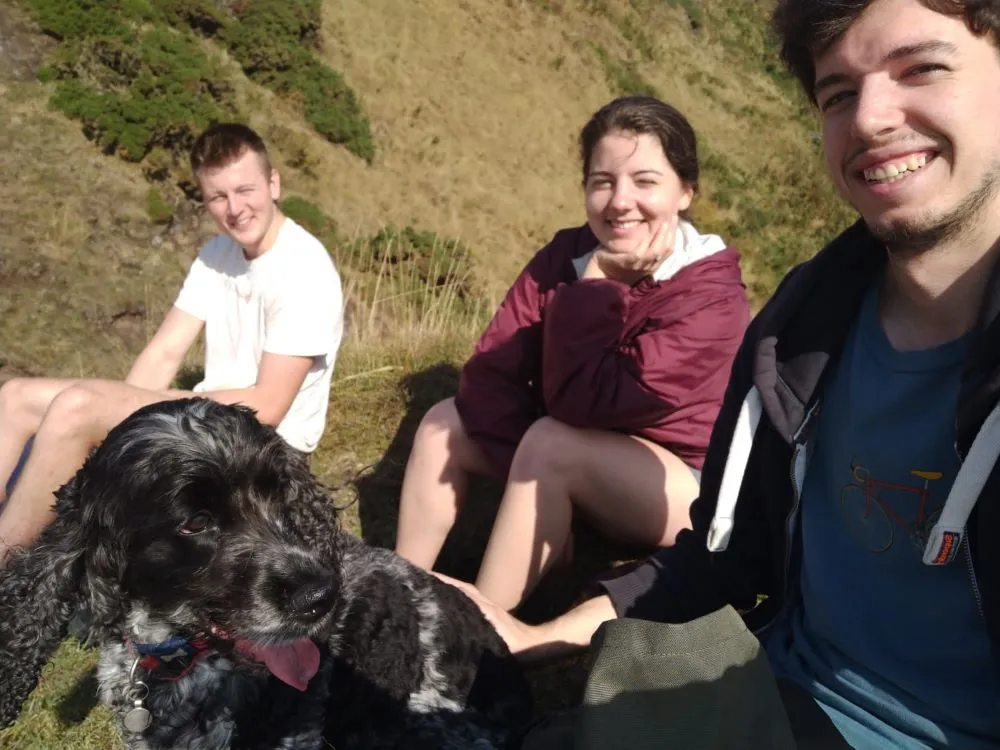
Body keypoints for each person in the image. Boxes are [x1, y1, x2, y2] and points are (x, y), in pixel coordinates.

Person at [441, 0, 1000, 747]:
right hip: (773, 693)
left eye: (922, 69)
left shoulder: (720, 296)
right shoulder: (800, 334)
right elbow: (719, 560)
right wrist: (533, 638)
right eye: (837, 93)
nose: (870, 118)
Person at [396, 95, 750, 611]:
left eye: (645, 182)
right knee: (443, 422)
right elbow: (491, 372)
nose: (619, 201)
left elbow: (588, 405)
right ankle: (394, 590)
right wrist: (528, 481)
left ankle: (480, 636)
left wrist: (599, 285)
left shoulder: (710, 297)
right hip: (572, 450)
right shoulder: (565, 254)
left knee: (553, 444)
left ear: (685, 193)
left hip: (680, 488)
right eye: (602, 181)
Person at [0, 122, 344, 564]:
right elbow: (165, 351)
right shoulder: (216, 255)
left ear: (273, 183)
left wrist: (145, 407)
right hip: (204, 419)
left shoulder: (304, 270)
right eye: (218, 197)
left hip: (263, 447)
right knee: (16, 396)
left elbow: (269, 404)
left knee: (78, 406)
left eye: (245, 190)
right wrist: (128, 424)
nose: (235, 208)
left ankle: (8, 559)